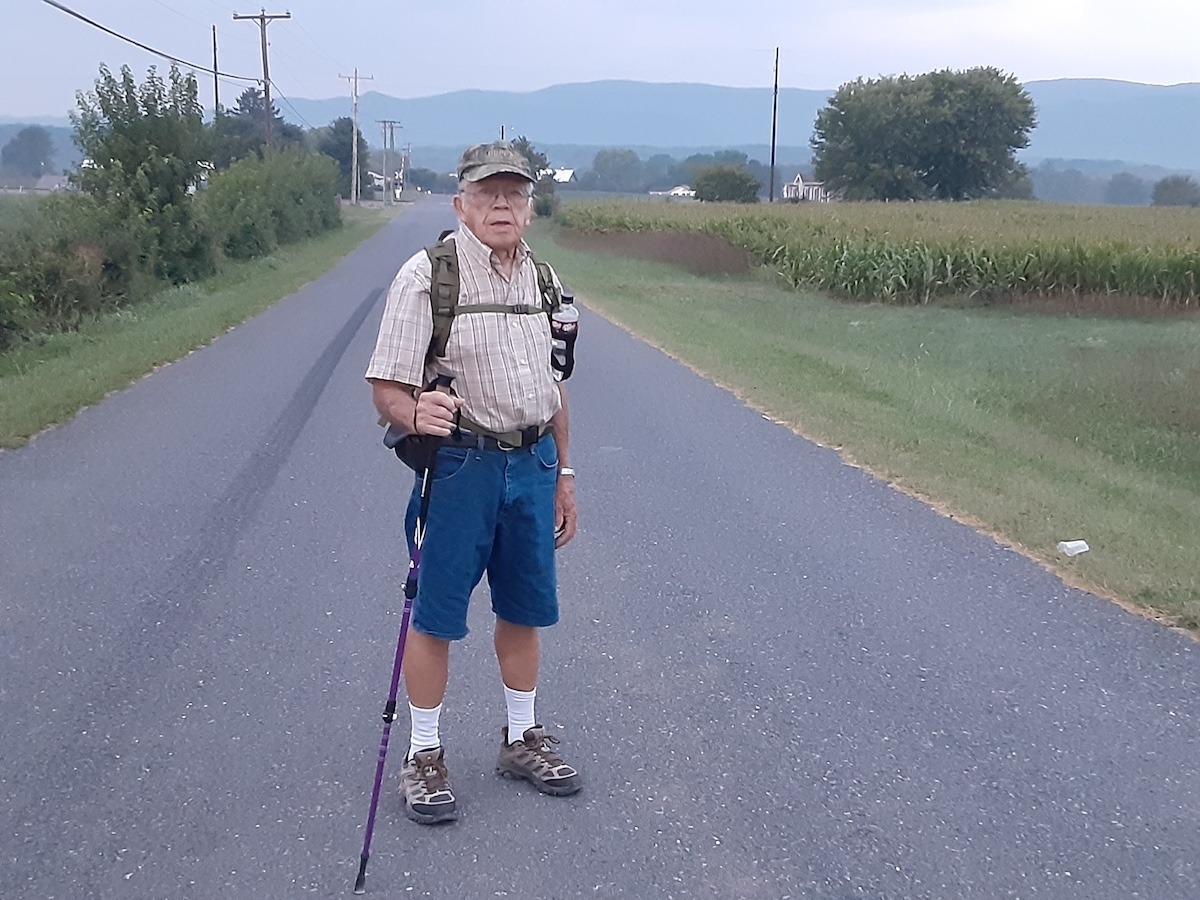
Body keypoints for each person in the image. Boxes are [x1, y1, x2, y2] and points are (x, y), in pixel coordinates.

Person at [364, 141, 581, 824]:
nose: (501, 206)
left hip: (533, 466)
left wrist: (565, 473)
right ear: (461, 203)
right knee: (436, 616)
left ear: (529, 208)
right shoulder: (428, 276)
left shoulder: (542, 280)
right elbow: (385, 388)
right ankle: (424, 755)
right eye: (488, 194)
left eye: (514, 195)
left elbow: (554, 389)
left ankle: (521, 739)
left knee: (523, 608)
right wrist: (413, 409)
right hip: (459, 469)